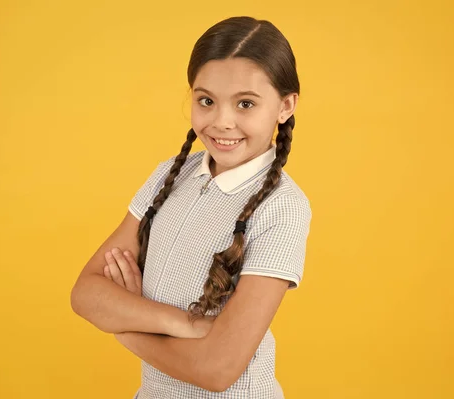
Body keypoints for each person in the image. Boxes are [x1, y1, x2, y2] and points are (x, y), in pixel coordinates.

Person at [70, 15, 312, 399]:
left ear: (285, 106)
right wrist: (185, 324)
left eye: (245, 103)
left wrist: (125, 322)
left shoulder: (283, 208)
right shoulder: (172, 173)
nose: (221, 122)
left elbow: (218, 370)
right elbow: (85, 294)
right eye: (206, 101)